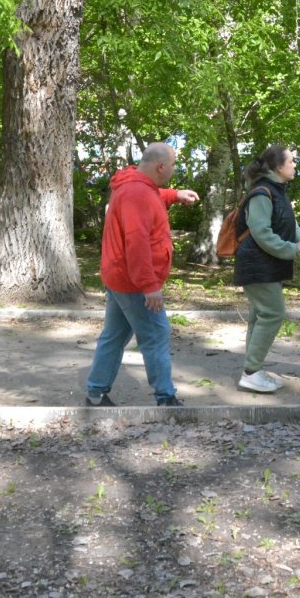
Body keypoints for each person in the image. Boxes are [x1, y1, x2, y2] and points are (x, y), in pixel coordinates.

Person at [84, 143, 199, 407]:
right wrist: (149, 285)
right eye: (172, 166)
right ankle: (165, 397)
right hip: (133, 282)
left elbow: (152, 196)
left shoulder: (135, 184)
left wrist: (174, 195)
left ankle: (96, 392)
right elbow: (137, 243)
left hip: (119, 277)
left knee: (114, 335)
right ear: (161, 166)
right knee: (156, 335)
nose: (173, 170)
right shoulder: (138, 193)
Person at [233, 145, 300, 393]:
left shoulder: (278, 191)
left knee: (259, 316)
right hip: (256, 264)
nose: (295, 165)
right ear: (278, 167)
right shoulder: (261, 193)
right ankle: (251, 372)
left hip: (268, 263)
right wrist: (293, 249)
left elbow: (291, 224)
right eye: (292, 161)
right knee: (273, 313)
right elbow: (262, 233)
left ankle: (252, 369)